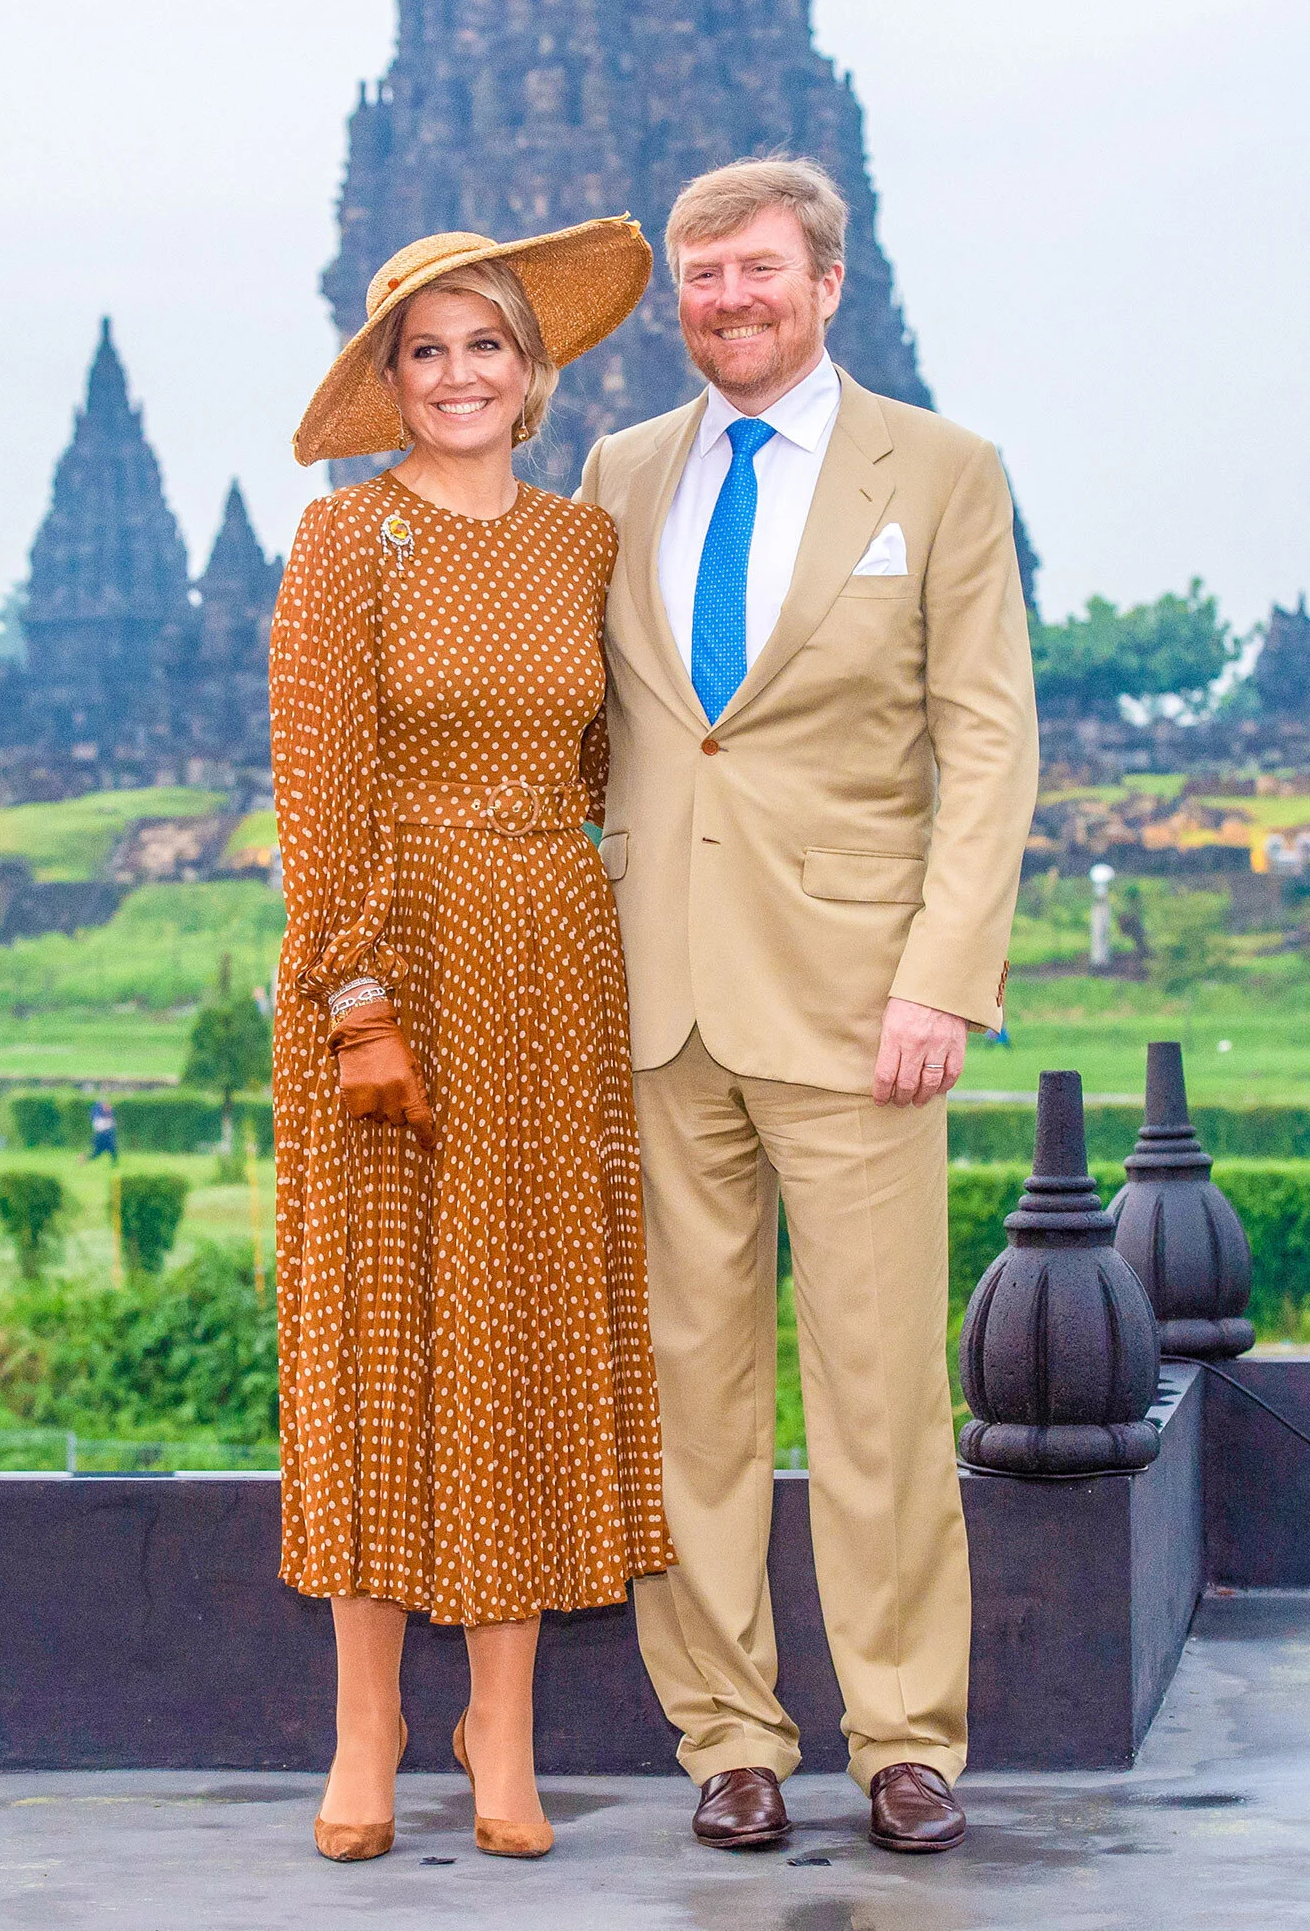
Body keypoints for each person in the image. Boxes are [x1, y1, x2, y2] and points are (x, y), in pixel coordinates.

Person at [578, 158, 1039, 1853]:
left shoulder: (940, 470)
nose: (727, 302)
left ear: (827, 280)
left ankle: (905, 1728)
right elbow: (596, 729)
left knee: (874, 1385)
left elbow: (987, 742)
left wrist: (941, 979)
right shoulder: (621, 473)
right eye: (700, 280)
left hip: (863, 1010)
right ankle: (727, 1736)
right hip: (659, 998)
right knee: (686, 1389)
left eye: (757, 273)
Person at [273, 216, 672, 1867]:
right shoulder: (342, 540)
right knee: (380, 1332)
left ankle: (496, 1728)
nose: (455, 376)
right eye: (421, 350)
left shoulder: (583, 547)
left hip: (548, 962)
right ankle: (366, 1727)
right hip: (384, 955)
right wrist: (355, 996)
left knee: (525, 1327)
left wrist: (545, 885)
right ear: (388, 378)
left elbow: (600, 771)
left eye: (483, 346)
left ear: (534, 371)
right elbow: (318, 786)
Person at [87, 1097, 117, 1163]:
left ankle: (114, 1164)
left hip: (108, 1138)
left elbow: (112, 1125)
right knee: (96, 1154)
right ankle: (84, 1159)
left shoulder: (109, 1114)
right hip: (101, 1138)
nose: (110, 1107)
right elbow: (99, 1127)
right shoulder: (97, 1117)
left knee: (113, 1151)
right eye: (107, 1105)